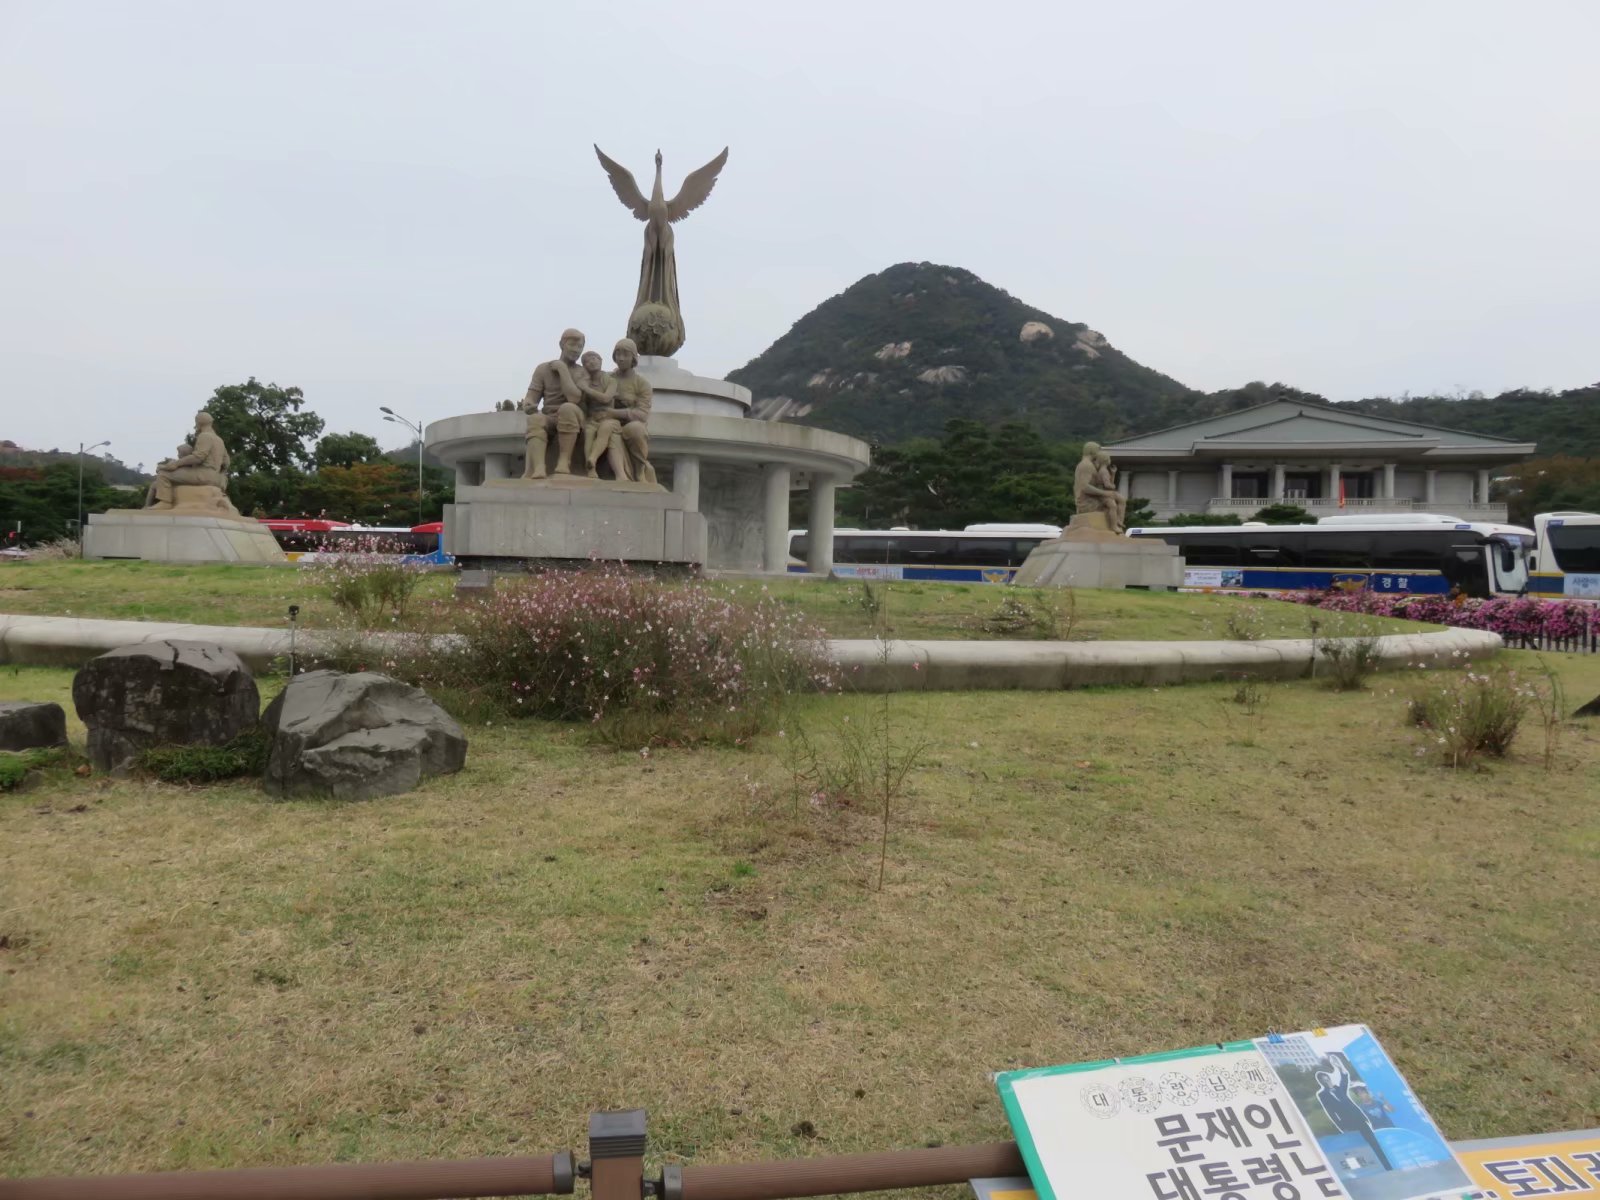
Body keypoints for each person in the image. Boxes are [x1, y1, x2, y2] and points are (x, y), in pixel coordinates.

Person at [521, 329, 587, 478]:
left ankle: (564, 461)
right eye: (572, 345)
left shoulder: (583, 372)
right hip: (550, 416)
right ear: (561, 345)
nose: (577, 350)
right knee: (535, 419)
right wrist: (529, 405)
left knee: (567, 408)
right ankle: (538, 468)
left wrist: (562, 370)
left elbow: (574, 398)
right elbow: (531, 396)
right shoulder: (543, 369)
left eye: (580, 346)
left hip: (575, 416)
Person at [1314, 1055, 1393, 1171]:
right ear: (1320, 1082)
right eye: (1323, 1079)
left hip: (1359, 1119)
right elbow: (1330, 1112)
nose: (1326, 1080)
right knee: (1358, 1146)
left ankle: (1388, 1165)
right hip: (1347, 1124)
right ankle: (1369, 1168)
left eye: (1327, 1077)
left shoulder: (1338, 1088)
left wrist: (1340, 1067)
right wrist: (1341, 1126)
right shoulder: (1323, 1095)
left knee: (1374, 1142)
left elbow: (1344, 1079)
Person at [147, 413, 229, 509]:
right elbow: (226, 462)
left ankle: (165, 502)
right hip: (216, 477)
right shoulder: (219, 440)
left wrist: (176, 464)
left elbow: (198, 457)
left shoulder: (204, 436)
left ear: (198, 423)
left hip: (203, 474)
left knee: (163, 473)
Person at [571, 350, 630, 480]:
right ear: (584, 366)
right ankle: (590, 468)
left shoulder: (610, 380)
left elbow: (606, 398)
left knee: (606, 428)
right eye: (587, 361)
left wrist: (586, 389)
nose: (591, 362)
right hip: (592, 419)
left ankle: (593, 457)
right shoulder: (585, 381)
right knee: (588, 433)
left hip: (608, 418)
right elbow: (580, 403)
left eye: (594, 358)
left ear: (601, 360)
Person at [607, 337, 655, 485]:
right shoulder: (606, 378)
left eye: (625, 355)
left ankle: (639, 472)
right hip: (607, 422)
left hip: (631, 424)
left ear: (633, 358)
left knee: (636, 429)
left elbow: (641, 414)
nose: (621, 359)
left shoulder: (642, 384)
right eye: (618, 354)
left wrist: (614, 413)